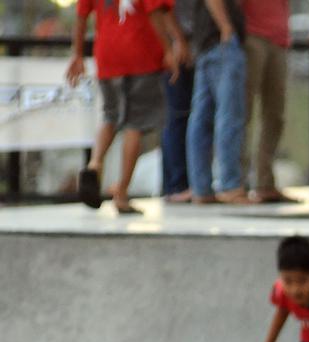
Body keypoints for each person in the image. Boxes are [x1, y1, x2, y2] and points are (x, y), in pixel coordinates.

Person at [67, 0, 187, 214]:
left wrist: (77, 53)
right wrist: (170, 47)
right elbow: (156, 12)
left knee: (110, 116)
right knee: (135, 124)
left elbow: (81, 16)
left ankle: (94, 164)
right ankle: (121, 192)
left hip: (107, 56)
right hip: (141, 56)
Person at [188, 0, 250, 204]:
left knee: (201, 117)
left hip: (205, 42)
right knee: (230, 115)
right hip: (221, 42)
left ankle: (201, 187)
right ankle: (230, 184)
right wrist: (226, 26)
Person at [241, 0, 297, 203]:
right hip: (251, 35)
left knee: (275, 115)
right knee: (243, 113)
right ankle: (238, 182)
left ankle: (265, 182)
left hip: (280, 39)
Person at [162, 0, 199, 204]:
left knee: (185, 115)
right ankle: (177, 185)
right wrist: (178, 40)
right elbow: (160, 7)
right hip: (178, 46)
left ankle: (183, 183)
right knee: (178, 115)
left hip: (194, 44)